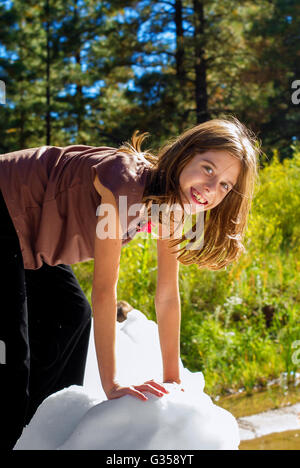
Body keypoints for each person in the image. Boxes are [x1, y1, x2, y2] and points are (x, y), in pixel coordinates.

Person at [0, 116, 259, 450]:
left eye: (225, 185)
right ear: (184, 155)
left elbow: (166, 295)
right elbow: (105, 290)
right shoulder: (123, 187)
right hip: (7, 204)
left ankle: (47, 433)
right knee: (12, 354)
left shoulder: (178, 208)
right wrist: (112, 385)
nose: (212, 188)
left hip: (31, 237)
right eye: (208, 168)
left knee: (71, 314)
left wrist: (173, 378)